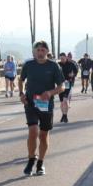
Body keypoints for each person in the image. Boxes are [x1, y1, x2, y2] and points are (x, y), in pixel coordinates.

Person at [18, 41, 65, 176]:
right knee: (33, 131)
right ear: (34, 52)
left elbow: (62, 86)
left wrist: (50, 93)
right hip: (31, 103)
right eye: (37, 50)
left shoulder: (54, 66)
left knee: (43, 135)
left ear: (47, 52)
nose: (40, 53)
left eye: (43, 50)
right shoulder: (29, 65)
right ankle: (31, 159)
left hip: (46, 106)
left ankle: (40, 163)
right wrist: (21, 94)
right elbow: (21, 80)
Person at [58, 51, 78, 124]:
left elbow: (76, 71)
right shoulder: (58, 64)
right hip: (60, 84)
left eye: (63, 58)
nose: (62, 60)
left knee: (65, 100)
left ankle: (65, 116)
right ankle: (63, 115)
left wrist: (73, 74)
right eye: (61, 58)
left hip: (68, 83)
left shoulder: (71, 64)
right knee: (61, 102)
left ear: (66, 57)